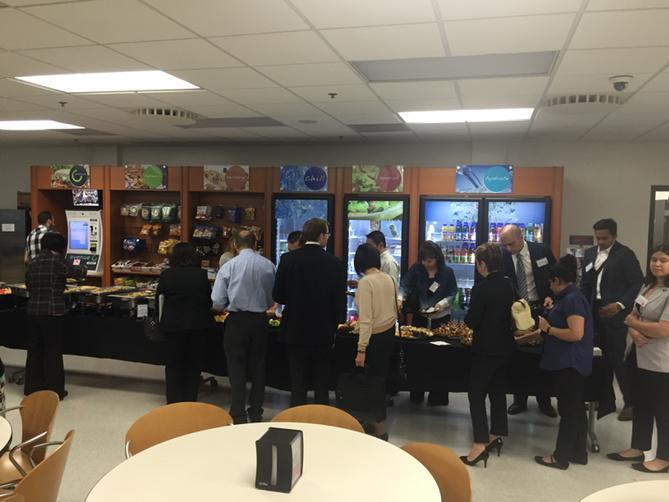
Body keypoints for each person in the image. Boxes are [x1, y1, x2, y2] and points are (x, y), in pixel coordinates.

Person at [607, 245, 669, 473]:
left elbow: (664, 329)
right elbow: (631, 316)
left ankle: (664, 458)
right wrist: (634, 330)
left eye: (663, 260)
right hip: (637, 352)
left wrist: (634, 324)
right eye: (654, 259)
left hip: (661, 360)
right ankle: (638, 447)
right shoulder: (648, 286)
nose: (657, 264)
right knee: (641, 403)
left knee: (663, 409)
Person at [273, 218, 347, 407]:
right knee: (322, 382)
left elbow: (278, 295)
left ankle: (297, 416)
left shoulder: (288, 259)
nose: (327, 238)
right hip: (323, 331)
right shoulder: (334, 263)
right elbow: (339, 300)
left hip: (294, 329)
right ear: (321, 236)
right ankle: (320, 418)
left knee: (297, 382)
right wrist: (337, 324)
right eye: (327, 235)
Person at [532, 255, 594, 470]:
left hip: (569, 363)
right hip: (569, 361)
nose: (550, 287)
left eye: (550, 283)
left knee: (568, 411)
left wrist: (548, 328)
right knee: (576, 409)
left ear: (557, 280)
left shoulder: (573, 300)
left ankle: (561, 456)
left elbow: (576, 333)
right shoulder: (568, 297)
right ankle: (578, 452)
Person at [581, 218, 643, 421]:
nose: (600, 241)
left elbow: (636, 283)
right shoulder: (590, 253)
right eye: (597, 237)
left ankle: (631, 402)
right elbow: (586, 283)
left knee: (616, 358)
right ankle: (604, 400)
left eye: (604, 238)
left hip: (615, 313)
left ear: (615, 235)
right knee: (597, 357)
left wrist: (620, 305)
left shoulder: (625, 255)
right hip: (593, 311)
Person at [211, 231, 275, 423]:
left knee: (236, 367)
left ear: (235, 245)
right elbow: (273, 297)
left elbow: (218, 301)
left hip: (236, 321)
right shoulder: (268, 265)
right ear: (255, 244)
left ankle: (237, 411)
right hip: (260, 320)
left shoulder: (228, 266)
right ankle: (256, 410)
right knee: (258, 366)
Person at [461, 243, 515, 468]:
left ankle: (479, 443)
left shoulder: (481, 289)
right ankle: (496, 434)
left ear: (482, 264)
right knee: (497, 392)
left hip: (485, 348)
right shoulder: (508, 284)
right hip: (505, 347)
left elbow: (472, 320)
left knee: (476, 394)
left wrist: (468, 318)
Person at [499, 224, 558, 417]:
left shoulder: (541, 251)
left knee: (543, 354)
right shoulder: (503, 256)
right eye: (504, 245)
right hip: (517, 310)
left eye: (510, 244)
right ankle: (519, 399)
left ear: (521, 237)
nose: (508, 248)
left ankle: (544, 400)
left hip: (541, 307)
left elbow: (555, 276)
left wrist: (551, 295)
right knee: (519, 355)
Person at [24, 232, 86, 399]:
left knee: (34, 350)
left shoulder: (33, 262)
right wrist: (82, 266)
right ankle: (54, 390)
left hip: (33, 311)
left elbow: (28, 285)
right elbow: (78, 273)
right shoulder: (57, 261)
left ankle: (32, 388)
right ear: (60, 247)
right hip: (52, 312)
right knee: (53, 351)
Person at [399, 240, 457, 405]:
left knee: (440, 357)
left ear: (437, 259)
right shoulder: (416, 269)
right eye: (423, 260)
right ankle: (417, 392)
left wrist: (442, 304)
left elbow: (453, 292)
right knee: (417, 356)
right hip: (420, 317)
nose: (426, 264)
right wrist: (400, 298)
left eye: (429, 260)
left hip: (441, 319)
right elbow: (404, 285)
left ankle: (437, 395)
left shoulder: (447, 272)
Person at [157, 243, 214, 404]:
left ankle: (173, 401)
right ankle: (190, 400)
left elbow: (159, 298)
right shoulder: (201, 275)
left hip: (172, 326)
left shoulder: (167, 275)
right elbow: (208, 300)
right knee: (193, 365)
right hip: (196, 325)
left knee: (173, 365)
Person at [353, 243, 398, 440]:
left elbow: (366, 319)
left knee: (371, 385)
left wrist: (361, 349)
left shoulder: (366, 282)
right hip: (388, 334)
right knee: (380, 383)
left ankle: (379, 429)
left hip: (373, 338)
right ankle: (376, 425)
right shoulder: (389, 278)